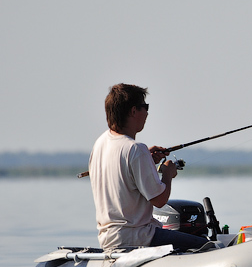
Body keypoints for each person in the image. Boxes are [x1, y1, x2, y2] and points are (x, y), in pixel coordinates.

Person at [88, 83, 210, 251]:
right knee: (207, 246)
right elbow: (159, 200)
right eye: (145, 107)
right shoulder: (136, 149)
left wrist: (148, 161)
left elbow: (124, 177)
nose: (147, 113)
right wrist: (167, 174)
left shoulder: (100, 144)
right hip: (137, 237)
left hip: (108, 240)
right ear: (133, 111)